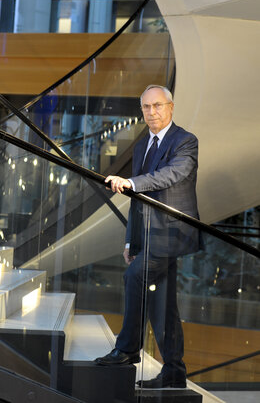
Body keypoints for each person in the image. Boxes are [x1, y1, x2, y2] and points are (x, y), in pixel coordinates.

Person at [95, 85, 201, 389]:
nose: (151, 112)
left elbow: (169, 175)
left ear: (170, 107)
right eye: (146, 107)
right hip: (149, 236)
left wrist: (129, 181)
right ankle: (174, 372)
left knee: (134, 277)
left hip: (172, 233)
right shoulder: (142, 146)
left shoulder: (185, 141)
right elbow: (137, 199)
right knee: (163, 307)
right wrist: (132, 241)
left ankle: (127, 350)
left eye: (157, 106)